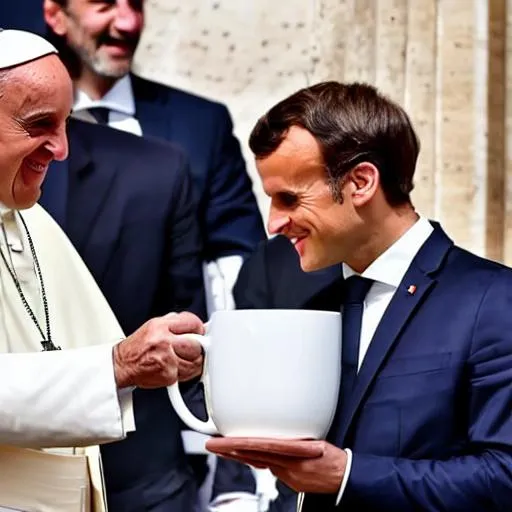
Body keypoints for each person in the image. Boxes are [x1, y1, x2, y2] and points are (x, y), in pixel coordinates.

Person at [207, 81, 512, 511]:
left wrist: (348, 474)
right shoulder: (312, 302)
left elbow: (506, 475)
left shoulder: (495, 300)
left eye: (289, 198)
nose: (274, 222)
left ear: (361, 182)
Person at [0, 25, 204, 499]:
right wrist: (117, 365)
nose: (63, 149)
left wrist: (164, 357)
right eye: (39, 125)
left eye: (66, 123)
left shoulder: (32, 219)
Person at [39, 118, 257, 510]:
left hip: (141, 476)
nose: (56, 146)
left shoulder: (154, 168)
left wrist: (231, 474)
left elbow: (188, 330)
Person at [42, 0, 266, 315]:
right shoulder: (20, 127)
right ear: (56, 15)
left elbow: (241, 256)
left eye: (135, 4)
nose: (128, 23)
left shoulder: (201, 124)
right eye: (104, 4)